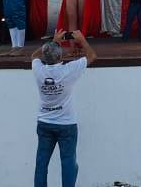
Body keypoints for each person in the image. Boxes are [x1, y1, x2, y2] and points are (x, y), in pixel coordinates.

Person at [31, 29, 96, 187]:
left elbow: (34, 56)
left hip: (45, 122)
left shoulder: (39, 69)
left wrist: (53, 42)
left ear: (45, 57)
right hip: (66, 123)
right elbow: (92, 56)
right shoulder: (67, 70)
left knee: (41, 163)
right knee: (68, 162)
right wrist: (82, 40)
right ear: (60, 57)